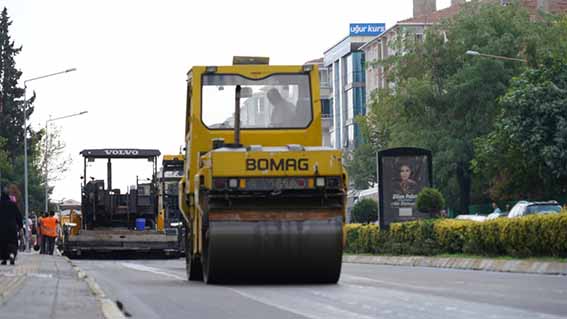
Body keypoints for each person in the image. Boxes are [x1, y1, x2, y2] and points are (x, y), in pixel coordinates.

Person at [0, 191, 23, 265]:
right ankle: (12, 254)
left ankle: (4, 259)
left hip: (1, 228)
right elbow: (19, 216)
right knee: (12, 242)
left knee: (2, 243)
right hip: (12, 227)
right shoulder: (13, 204)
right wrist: (20, 227)